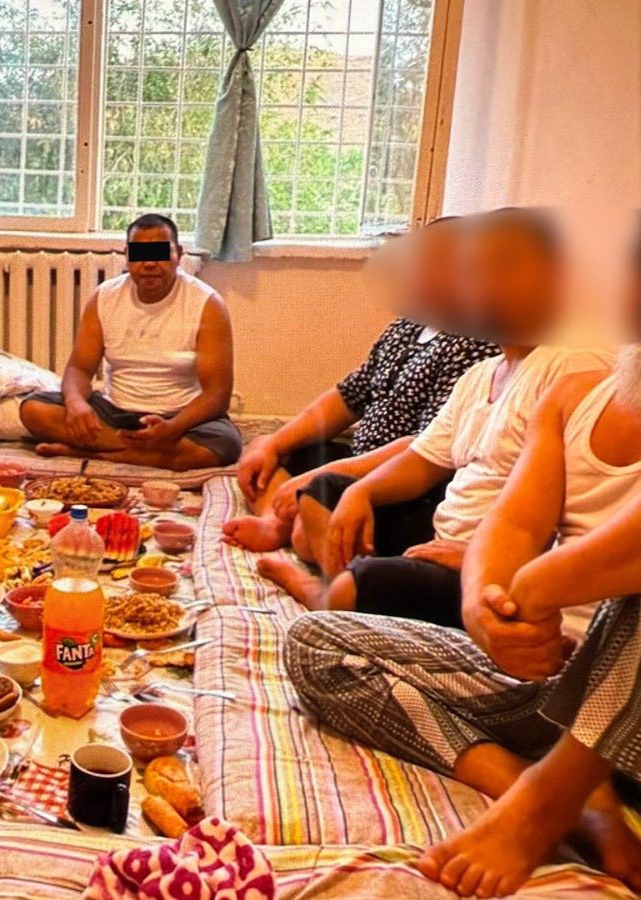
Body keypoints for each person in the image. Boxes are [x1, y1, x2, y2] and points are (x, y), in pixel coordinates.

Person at [284, 334, 641, 896]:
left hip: (625, 718)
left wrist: (533, 588)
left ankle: (551, 795)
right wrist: (486, 612)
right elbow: (512, 525)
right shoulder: (572, 396)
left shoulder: (562, 364)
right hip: (543, 684)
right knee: (314, 644)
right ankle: (564, 795)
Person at [263, 208, 611, 626]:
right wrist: (362, 492)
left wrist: (483, 558)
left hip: (495, 571)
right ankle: (353, 595)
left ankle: (333, 598)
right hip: (443, 535)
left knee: (359, 584)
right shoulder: (479, 374)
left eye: (503, 265)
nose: (483, 284)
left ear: (557, 276)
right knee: (324, 493)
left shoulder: (574, 367)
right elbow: (423, 459)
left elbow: (585, 515)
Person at [222, 217, 498, 553]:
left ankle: (297, 527)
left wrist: (322, 478)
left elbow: (427, 448)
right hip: (358, 459)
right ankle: (280, 521)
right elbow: (348, 396)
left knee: (313, 516)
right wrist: (275, 444)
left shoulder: (475, 342)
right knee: (260, 454)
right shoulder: (407, 326)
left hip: (401, 486)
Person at [19, 213, 241, 471]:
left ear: (179, 254)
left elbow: (217, 394)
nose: (149, 263)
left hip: (179, 415)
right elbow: (79, 368)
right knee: (33, 410)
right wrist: (75, 403)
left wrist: (172, 428)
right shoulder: (104, 297)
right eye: (139, 254)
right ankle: (145, 452)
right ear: (127, 256)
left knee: (224, 444)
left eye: (159, 253)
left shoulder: (207, 303)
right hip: (114, 411)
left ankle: (92, 452)